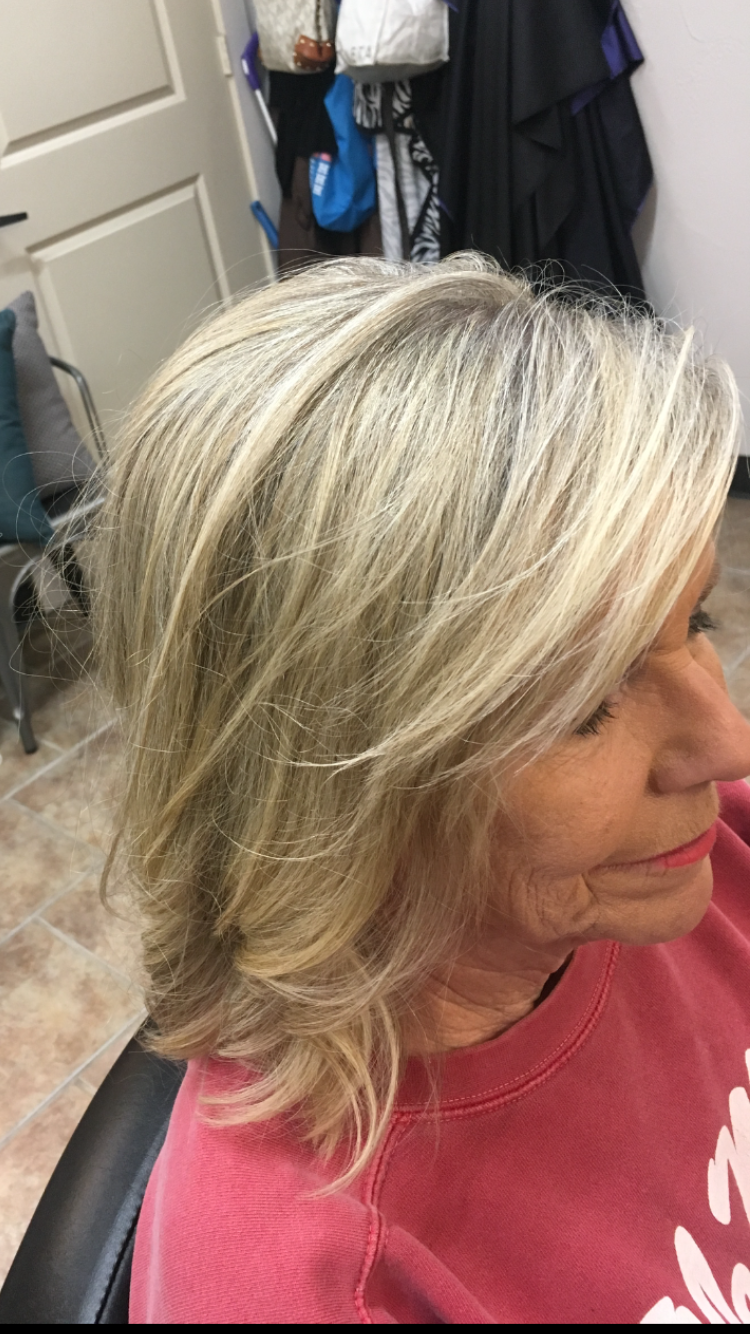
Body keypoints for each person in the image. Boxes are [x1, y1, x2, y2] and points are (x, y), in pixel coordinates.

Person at [94, 254, 750, 1324]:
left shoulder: (678, 856)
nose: (726, 743)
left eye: (699, 622)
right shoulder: (316, 1286)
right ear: (331, 802)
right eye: (586, 700)